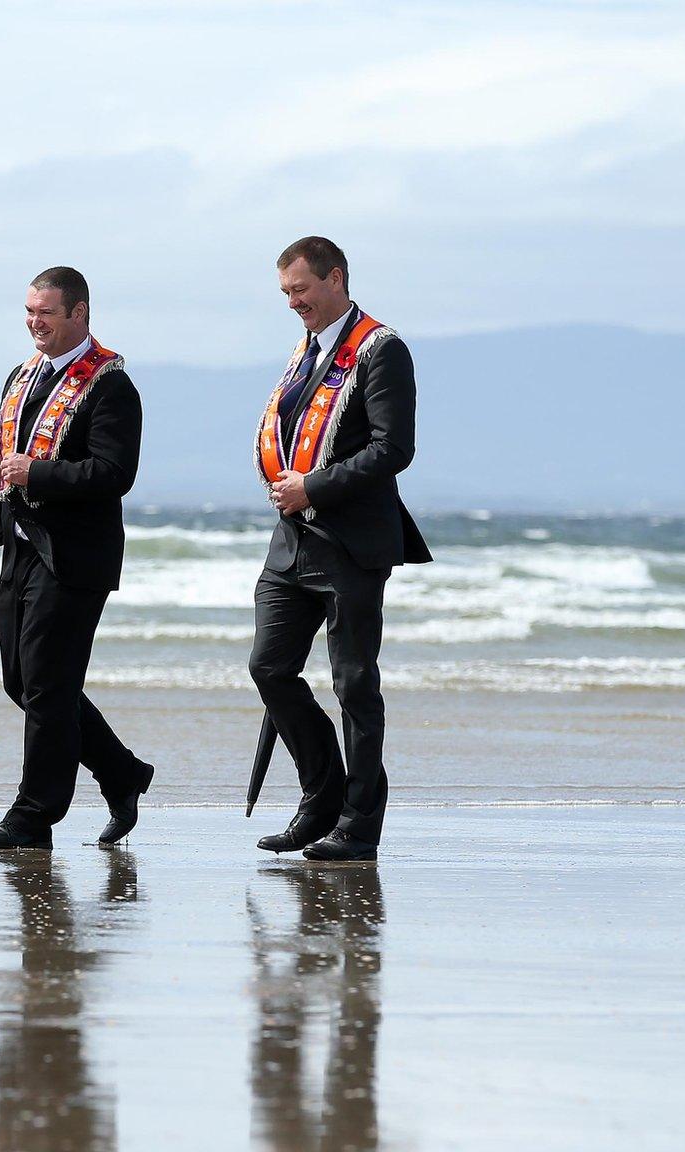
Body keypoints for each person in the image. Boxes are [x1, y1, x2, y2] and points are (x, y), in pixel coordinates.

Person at [0, 267, 155, 851]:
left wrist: (38, 472)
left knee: (47, 684)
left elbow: (115, 474)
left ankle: (35, 814)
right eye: (29, 313)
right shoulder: (21, 376)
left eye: (47, 313)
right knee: (26, 682)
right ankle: (120, 772)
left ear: (79, 314)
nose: (35, 324)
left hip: (75, 557)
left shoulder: (110, 385)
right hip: (19, 547)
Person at [249, 238, 432, 863]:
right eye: (286, 294)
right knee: (269, 668)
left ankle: (359, 824)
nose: (294, 302)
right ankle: (322, 796)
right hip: (291, 542)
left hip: (352, 542)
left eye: (301, 289)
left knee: (354, 684)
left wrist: (314, 487)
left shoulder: (382, 350)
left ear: (336, 278)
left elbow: (392, 449)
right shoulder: (307, 352)